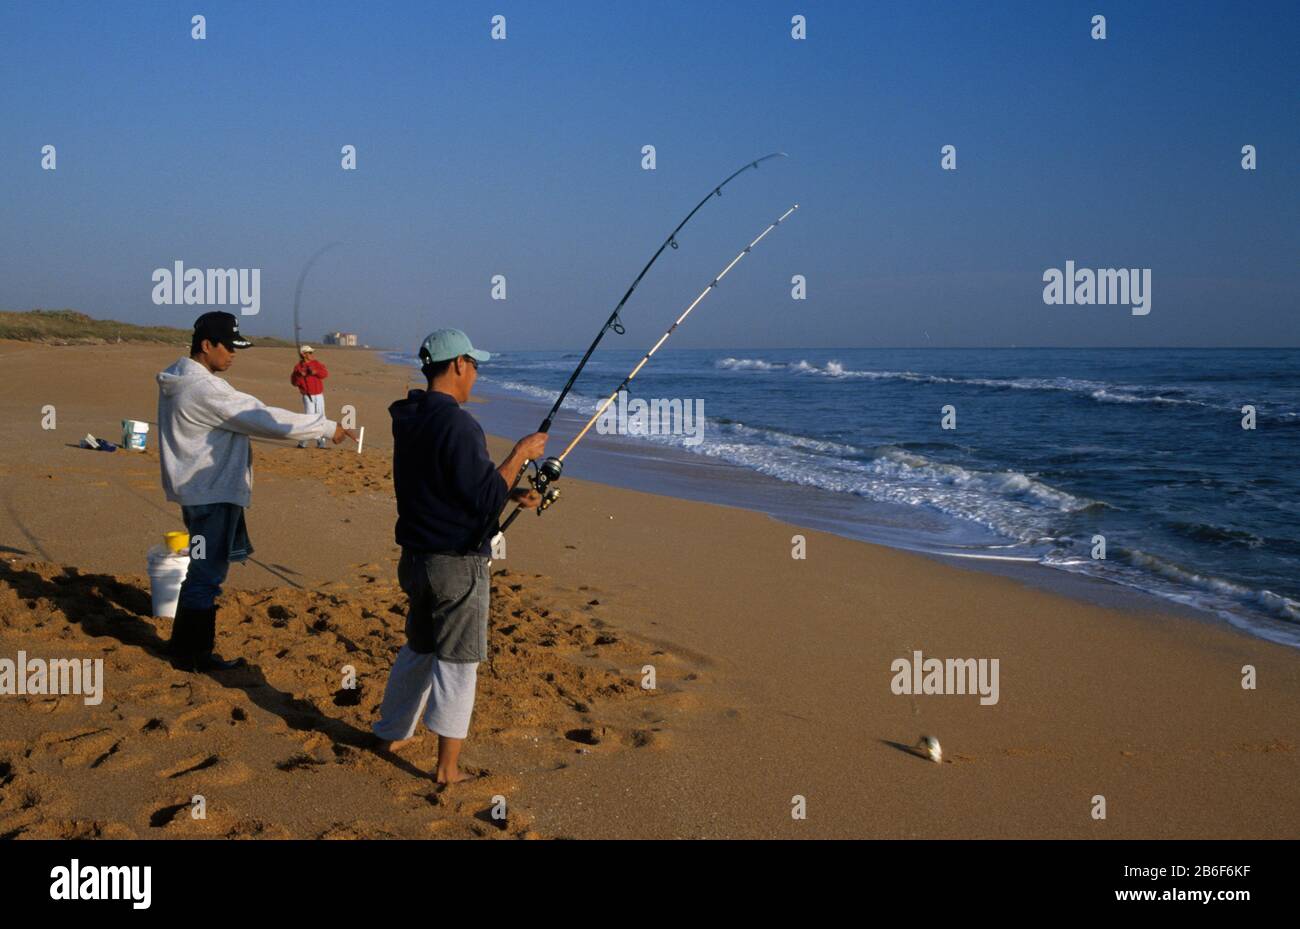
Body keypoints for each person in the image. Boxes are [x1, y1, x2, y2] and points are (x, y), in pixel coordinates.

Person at [372, 328, 546, 784]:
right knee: (458, 662)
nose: (477, 376)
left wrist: (514, 492)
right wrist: (520, 454)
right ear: (458, 366)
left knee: (419, 649)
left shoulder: (409, 416)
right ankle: (447, 770)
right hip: (455, 566)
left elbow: (448, 482)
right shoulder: (460, 424)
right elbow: (484, 495)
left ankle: (389, 733)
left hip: (415, 561)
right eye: (475, 366)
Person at [156, 311, 357, 672]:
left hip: (197, 492)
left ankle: (185, 649)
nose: (233, 354)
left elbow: (253, 414)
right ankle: (193, 655)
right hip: (210, 494)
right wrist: (327, 428)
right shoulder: (204, 389)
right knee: (207, 574)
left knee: (202, 571)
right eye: (228, 346)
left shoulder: (181, 378)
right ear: (207, 345)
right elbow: (263, 418)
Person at [290, 345, 329, 449]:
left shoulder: (316, 363)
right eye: (309, 353)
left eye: (312, 352)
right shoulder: (298, 367)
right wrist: (299, 375)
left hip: (319, 395)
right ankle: (303, 442)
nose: (312, 354)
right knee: (309, 419)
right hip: (307, 396)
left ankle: (321, 442)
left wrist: (315, 372)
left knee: (321, 417)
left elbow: (325, 374)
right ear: (303, 354)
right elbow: (294, 383)